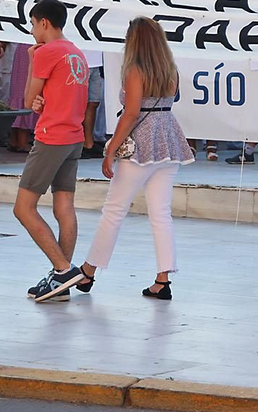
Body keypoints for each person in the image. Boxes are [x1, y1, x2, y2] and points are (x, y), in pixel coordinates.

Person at [76, 18, 194, 299]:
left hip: (140, 144)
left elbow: (131, 114)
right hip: (168, 138)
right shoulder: (171, 70)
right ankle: (163, 279)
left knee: (114, 210)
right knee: (161, 213)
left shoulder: (134, 70)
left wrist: (110, 149)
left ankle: (89, 270)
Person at [15, 0, 90, 303]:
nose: (32, 31)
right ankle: (62, 280)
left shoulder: (46, 52)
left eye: (33, 24)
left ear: (44, 22)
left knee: (23, 208)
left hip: (51, 136)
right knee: (64, 207)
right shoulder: (77, 52)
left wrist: (33, 59)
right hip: (73, 136)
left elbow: (27, 98)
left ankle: (63, 268)